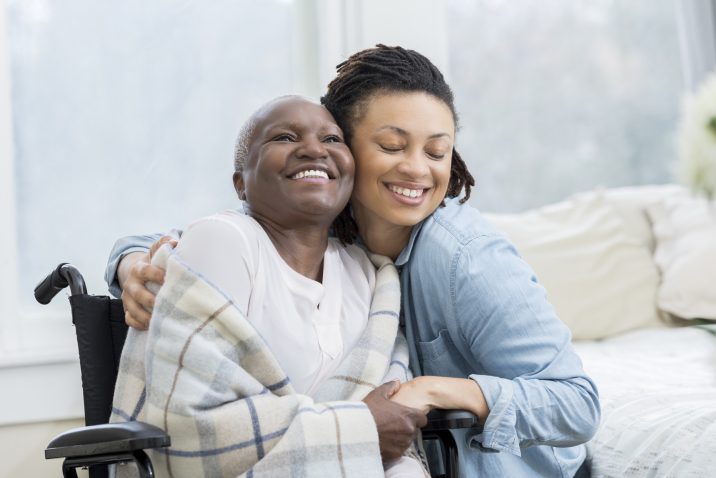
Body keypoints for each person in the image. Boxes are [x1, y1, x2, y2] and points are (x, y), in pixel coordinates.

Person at [108, 45, 600, 477]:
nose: (416, 169)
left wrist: (437, 390)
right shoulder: (327, 230)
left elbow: (578, 403)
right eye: (391, 146)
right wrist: (133, 265)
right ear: (344, 145)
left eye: (437, 152)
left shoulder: (464, 257)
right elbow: (202, 235)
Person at [110, 95, 429, 477]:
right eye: (284, 137)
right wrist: (357, 428)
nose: (313, 148)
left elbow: (393, 425)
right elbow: (189, 430)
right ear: (240, 183)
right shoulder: (225, 241)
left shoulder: (367, 273)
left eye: (331, 140)